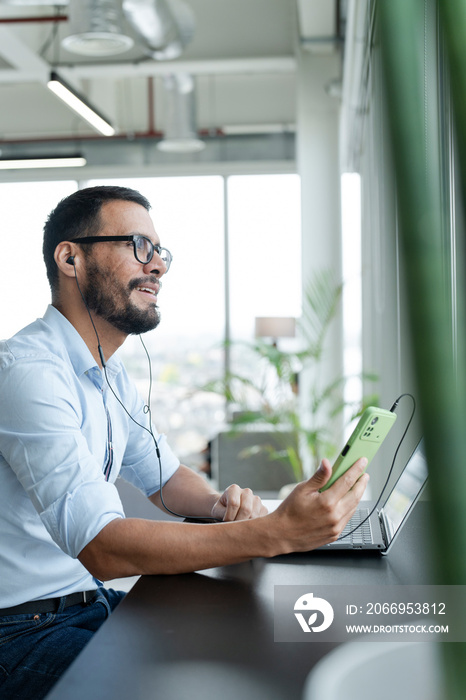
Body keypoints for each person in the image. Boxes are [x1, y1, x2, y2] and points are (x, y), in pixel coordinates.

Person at [0, 185, 369, 699]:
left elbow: (167, 479)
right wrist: (274, 533)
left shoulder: (108, 374)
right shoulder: (29, 373)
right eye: (138, 245)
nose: (158, 267)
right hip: (21, 632)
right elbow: (103, 547)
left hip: (88, 603)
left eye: (160, 253)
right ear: (71, 258)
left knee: (238, 646)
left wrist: (226, 506)